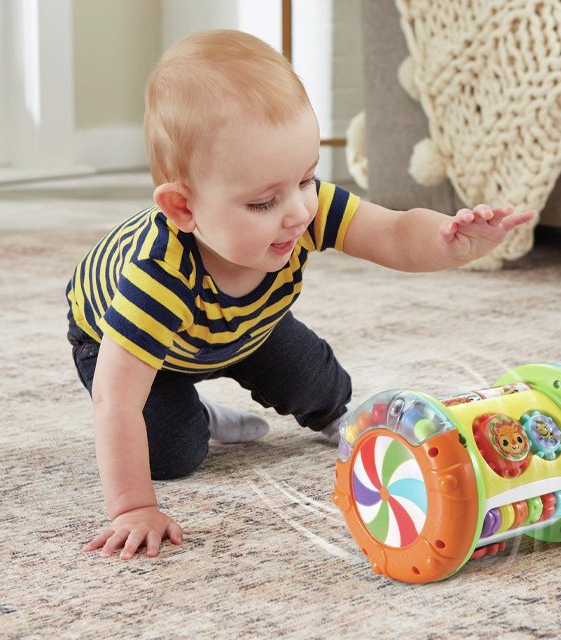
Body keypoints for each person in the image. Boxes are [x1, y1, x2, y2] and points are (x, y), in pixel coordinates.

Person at [65, 29, 535, 561]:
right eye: (264, 202)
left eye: (308, 178)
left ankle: (335, 414)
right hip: (129, 343)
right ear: (183, 210)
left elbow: (393, 233)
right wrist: (132, 508)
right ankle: (196, 413)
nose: (298, 211)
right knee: (170, 451)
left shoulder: (300, 205)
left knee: (317, 379)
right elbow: (116, 399)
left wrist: (451, 243)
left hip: (245, 323)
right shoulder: (157, 280)